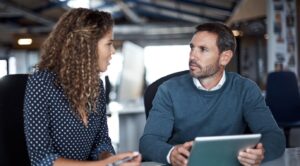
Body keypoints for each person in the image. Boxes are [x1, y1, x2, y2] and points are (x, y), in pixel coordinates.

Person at [139, 23, 285, 166]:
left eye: (203, 49)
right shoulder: (168, 90)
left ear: (225, 57)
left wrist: (259, 153)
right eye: (192, 48)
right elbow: (148, 142)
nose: (192, 56)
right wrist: (171, 154)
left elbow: (274, 136)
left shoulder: (245, 89)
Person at [24, 8, 141, 166]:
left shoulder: (96, 86)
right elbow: (42, 159)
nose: (113, 51)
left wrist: (113, 160)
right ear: (87, 46)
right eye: (109, 44)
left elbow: (101, 143)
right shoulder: (41, 83)